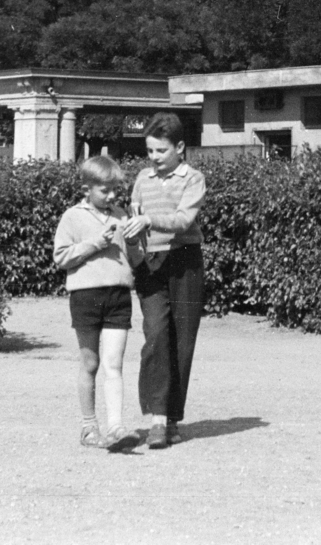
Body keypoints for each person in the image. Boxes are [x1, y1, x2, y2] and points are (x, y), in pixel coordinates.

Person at [120, 112, 205, 450]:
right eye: (149, 151)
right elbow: (133, 217)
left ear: (180, 148)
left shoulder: (193, 178)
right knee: (155, 335)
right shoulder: (142, 178)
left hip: (185, 263)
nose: (153, 158)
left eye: (160, 151)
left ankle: (170, 418)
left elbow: (184, 220)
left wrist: (146, 220)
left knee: (181, 342)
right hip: (150, 265)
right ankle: (157, 417)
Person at [52, 154, 142, 451]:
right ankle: (89, 427)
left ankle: (116, 427)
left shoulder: (121, 215)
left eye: (115, 189)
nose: (112, 195)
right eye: (105, 190)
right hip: (85, 295)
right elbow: (61, 257)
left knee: (113, 363)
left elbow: (137, 261)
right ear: (86, 188)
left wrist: (132, 242)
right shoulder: (72, 217)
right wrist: (94, 245)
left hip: (118, 296)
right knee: (90, 362)